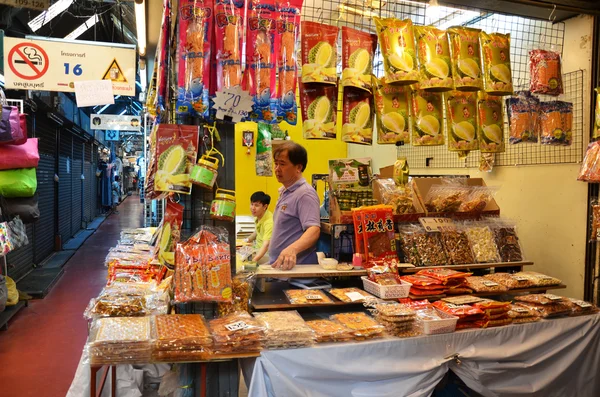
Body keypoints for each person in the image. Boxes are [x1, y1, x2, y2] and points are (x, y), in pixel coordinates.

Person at [269, 142, 321, 270]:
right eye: (276, 164)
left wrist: (292, 249)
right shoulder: (286, 191)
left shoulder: (305, 194)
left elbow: (313, 230)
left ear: (298, 167)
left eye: (282, 164)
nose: (277, 169)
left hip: (296, 276)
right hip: (282, 271)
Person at [245, 191, 273, 264]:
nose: (253, 208)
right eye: (252, 204)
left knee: (242, 258)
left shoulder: (269, 222)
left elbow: (266, 245)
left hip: (267, 254)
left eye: (256, 205)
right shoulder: (259, 216)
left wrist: (253, 261)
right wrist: (246, 241)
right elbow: (257, 231)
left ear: (265, 207)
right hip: (257, 249)